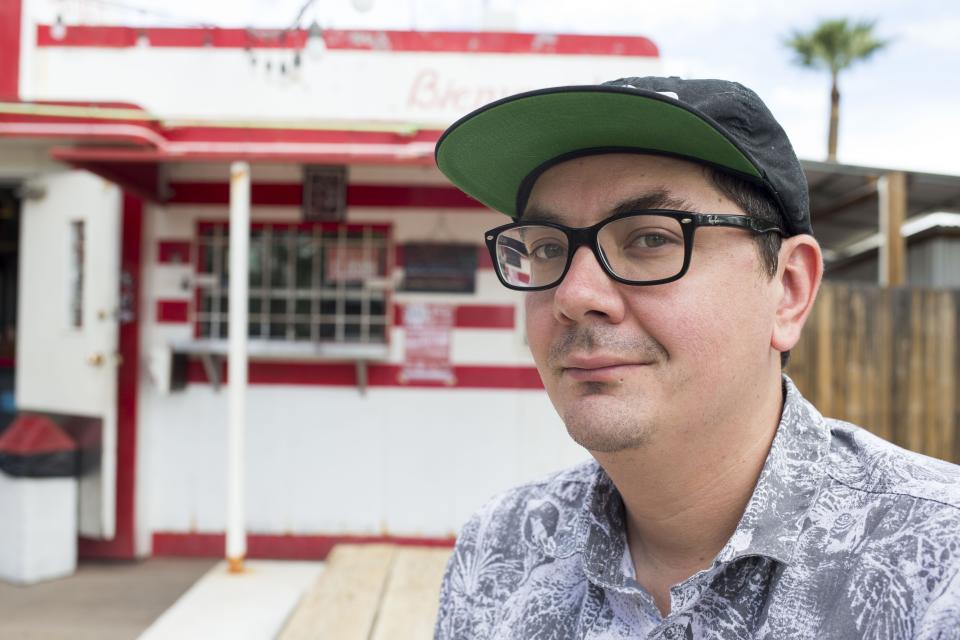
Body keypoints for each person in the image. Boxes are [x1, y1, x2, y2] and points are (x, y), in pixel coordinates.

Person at [431, 77, 960, 639]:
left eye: (651, 239)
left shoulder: (935, 568)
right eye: (546, 249)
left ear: (789, 289)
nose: (574, 295)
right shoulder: (501, 547)